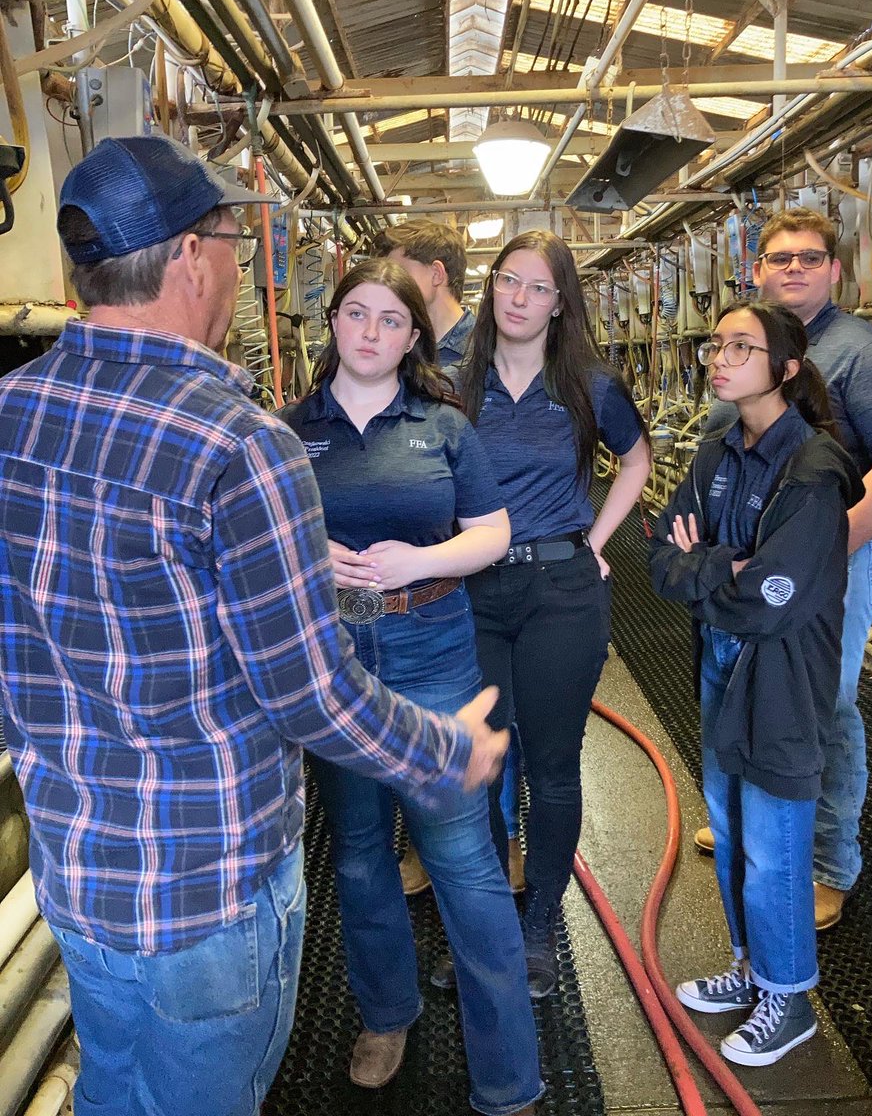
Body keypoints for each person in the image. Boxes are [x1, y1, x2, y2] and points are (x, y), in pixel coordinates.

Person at [0, 135, 507, 1116]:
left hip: (79, 878)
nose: (242, 268)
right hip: (207, 893)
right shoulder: (238, 441)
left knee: (112, 1089)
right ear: (192, 257)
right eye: (235, 242)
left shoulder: (10, 413)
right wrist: (446, 752)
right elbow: (308, 691)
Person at [278, 258, 542, 1115]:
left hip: (430, 644)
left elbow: (492, 532)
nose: (370, 332)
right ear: (332, 322)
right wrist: (310, 556)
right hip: (335, 653)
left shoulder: (443, 424)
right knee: (359, 850)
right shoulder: (287, 431)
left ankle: (509, 1069)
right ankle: (386, 1014)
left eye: (391, 320)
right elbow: (261, 536)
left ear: (412, 339)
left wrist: (418, 562)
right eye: (356, 313)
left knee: (462, 855)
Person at [694, 209, 872, 930]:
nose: (793, 267)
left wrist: (816, 556)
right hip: (745, 565)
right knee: (736, 689)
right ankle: (747, 822)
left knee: (822, 708)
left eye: (809, 257)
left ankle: (828, 861)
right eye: (779, 257)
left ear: (835, 269)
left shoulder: (864, 355)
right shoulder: (744, 346)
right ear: (756, 270)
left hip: (831, 568)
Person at [650, 301, 864, 1065]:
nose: (720, 358)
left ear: (787, 368)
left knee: (775, 840)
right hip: (720, 658)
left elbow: (772, 600)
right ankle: (751, 967)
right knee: (732, 824)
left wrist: (705, 567)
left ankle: (789, 996)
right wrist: (722, 566)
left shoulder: (813, 471)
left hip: (780, 672)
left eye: (742, 347)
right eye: (718, 345)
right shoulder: (715, 454)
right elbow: (661, 561)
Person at [454, 229, 651, 998]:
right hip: (473, 590)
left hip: (560, 592)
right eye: (510, 280)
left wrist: (595, 541)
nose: (521, 298)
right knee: (477, 765)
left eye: (540, 287)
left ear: (560, 304)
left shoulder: (588, 386)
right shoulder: (456, 383)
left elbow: (635, 461)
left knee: (551, 765)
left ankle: (538, 928)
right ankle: (488, 931)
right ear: (491, 286)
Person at [373, 218, 526, 897]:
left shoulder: (480, 356)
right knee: (424, 709)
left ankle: (499, 839)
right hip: (419, 561)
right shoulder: (401, 347)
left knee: (487, 707)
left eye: (399, 269)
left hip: (481, 553)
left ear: (435, 275)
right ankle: (426, 839)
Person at [374, 217, 475, 366]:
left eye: (400, 274)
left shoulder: (486, 352)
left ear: (436, 274)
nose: (389, 285)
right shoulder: (396, 345)